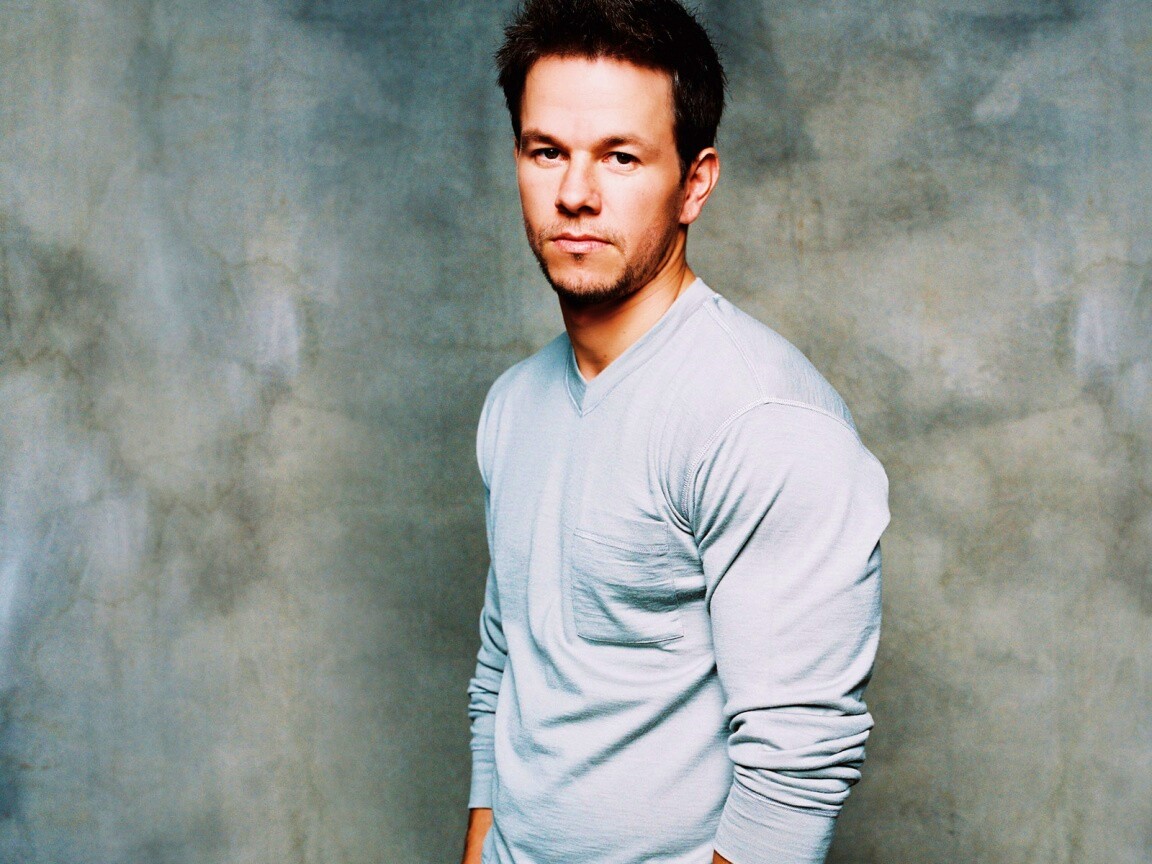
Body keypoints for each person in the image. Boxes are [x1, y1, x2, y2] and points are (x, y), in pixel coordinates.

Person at [462, 1, 889, 862]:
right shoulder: (512, 405)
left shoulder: (762, 421)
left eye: (620, 157)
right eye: (548, 151)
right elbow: (506, 672)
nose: (575, 194)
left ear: (695, 182)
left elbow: (796, 768)